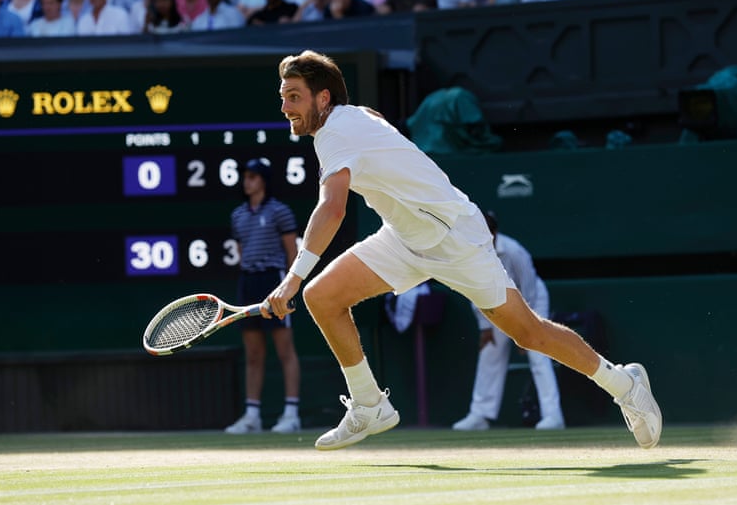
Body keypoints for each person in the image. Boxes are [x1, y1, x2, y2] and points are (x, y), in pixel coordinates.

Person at [262, 50, 662, 451]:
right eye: (283, 96)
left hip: (454, 237)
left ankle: (625, 384)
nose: (284, 107)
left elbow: (332, 208)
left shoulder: (334, 133)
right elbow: (377, 125)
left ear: (324, 98)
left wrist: (292, 279)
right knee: (323, 297)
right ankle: (369, 405)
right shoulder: (354, 118)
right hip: (405, 237)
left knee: (528, 333)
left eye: (294, 96)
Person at [452, 210, 565, 431]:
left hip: (529, 301)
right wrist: (485, 327)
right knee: (490, 352)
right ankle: (480, 415)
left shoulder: (514, 252)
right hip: (495, 301)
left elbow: (529, 288)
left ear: (495, 232)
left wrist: (526, 329)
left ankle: (553, 416)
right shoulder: (469, 252)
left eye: (486, 230)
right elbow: (474, 289)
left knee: (538, 354)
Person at [225, 158, 303, 435]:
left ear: (264, 181)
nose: (247, 181)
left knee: (285, 350)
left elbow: (292, 253)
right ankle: (252, 416)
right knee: (254, 353)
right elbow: (243, 253)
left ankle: (292, 414)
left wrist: (291, 287)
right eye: (245, 177)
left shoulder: (280, 212)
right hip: (248, 283)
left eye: (253, 177)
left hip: (275, 281)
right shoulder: (238, 216)